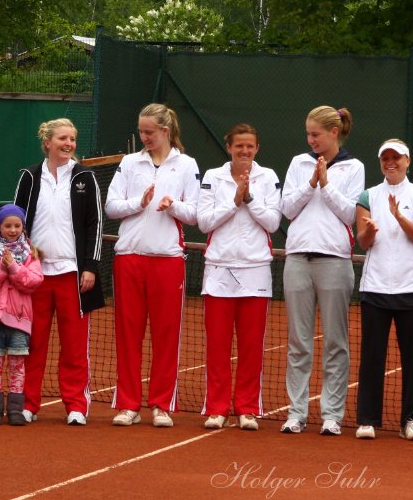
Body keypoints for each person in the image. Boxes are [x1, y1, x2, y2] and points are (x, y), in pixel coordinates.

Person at [104, 103, 200, 428]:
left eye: (149, 132)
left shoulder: (186, 165)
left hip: (168, 261)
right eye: (141, 131)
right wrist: (138, 203)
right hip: (129, 258)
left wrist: (173, 206)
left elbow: (196, 213)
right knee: (128, 334)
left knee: (166, 335)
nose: (144, 137)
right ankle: (128, 405)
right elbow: (111, 206)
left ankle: (161, 405)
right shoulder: (130, 163)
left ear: (165, 131)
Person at [278, 105, 365, 436]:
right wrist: (310, 182)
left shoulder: (354, 167)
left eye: (315, 134)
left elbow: (349, 215)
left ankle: (332, 415)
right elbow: (286, 209)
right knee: (298, 342)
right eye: (307, 134)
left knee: (335, 342)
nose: (310, 139)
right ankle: (296, 413)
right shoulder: (299, 164)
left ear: (334, 132)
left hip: (335, 261)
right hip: (298, 260)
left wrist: (326, 185)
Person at [12, 118, 104, 426]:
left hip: (73, 273)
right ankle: (28, 404)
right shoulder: (29, 176)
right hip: (35, 275)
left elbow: (95, 224)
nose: (69, 144)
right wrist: (19, 261)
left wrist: (90, 266)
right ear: (48, 142)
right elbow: (15, 222)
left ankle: (76, 405)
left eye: (73, 139)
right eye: (63, 138)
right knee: (32, 343)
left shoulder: (85, 177)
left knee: (74, 345)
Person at [196, 124, 281, 431]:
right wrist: (233, 200)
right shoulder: (211, 177)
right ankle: (217, 408)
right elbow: (204, 222)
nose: (244, 151)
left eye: (250, 146)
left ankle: (247, 408)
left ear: (257, 148)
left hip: (256, 271)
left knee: (251, 347)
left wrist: (249, 199)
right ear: (228, 147)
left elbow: (272, 222)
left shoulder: (268, 177)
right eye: (239, 146)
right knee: (217, 346)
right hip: (218, 271)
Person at [353, 139, 413, 440]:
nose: (391, 163)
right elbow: (362, 241)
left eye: (396, 158)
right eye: (385, 158)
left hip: (411, 287)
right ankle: (367, 420)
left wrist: (399, 217)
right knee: (372, 356)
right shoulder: (368, 196)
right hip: (374, 287)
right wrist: (370, 232)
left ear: (407, 161)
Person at [0, 204, 43, 425]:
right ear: (0, 227)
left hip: (19, 320)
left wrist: (14, 267)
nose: (13, 229)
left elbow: (34, 281)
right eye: (8, 225)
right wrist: (1, 267)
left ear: (23, 227)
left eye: (17, 225)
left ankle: (16, 409)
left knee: (17, 365)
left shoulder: (30, 254)